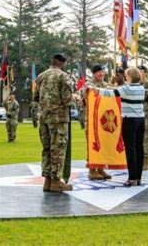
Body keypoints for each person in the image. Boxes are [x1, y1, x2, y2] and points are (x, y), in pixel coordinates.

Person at [96, 67, 145, 186]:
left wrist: (94, 89)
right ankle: (138, 178)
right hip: (141, 120)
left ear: (130, 77)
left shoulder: (126, 89)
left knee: (130, 149)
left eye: (126, 75)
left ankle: (132, 178)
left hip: (129, 120)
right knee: (139, 149)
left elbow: (109, 94)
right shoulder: (142, 88)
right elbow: (119, 90)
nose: (125, 77)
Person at [34, 53, 73, 192]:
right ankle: (56, 180)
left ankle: (47, 181)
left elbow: (36, 96)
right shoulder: (63, 76)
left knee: (47, 149)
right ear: (62, 63)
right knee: (58, 148)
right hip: (59, 119)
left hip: (44, 117)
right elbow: (68, 99)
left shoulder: (41, 76)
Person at [80, 64, 112, 181]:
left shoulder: (106, 84)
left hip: (103, 119)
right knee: (93, 144)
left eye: (102, 72)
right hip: (92, 119)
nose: (101, 74)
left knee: (103, 144)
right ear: (94, 74)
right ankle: (92, 170)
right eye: (98, 72)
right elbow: (88, 95)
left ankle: (101, 168)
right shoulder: (89, 84)